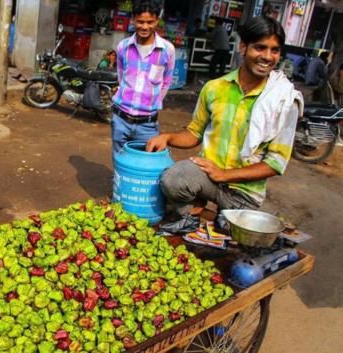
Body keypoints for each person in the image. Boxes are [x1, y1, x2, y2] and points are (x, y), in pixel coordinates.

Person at [146, 16, 303, 234]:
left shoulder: (285, 100)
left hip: (245, 194)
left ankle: (222, 214)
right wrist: (167, 137)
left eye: (274, 50)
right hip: (208, 179)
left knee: (236, 231)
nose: (267, 57)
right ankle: (188, 217)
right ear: (243, 46)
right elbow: (194, 133)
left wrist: (224, 175)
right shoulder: (214, 88)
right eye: (260, 48)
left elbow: (275, 164)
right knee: (174, 178)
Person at [111, 0, 175, 157]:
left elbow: (166, 82)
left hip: (148, 124)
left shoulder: (167, 50)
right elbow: (121, 76)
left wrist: (152, 103)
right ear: (133, 19)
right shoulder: (123, 47)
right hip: (121, 119)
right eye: (140, 21)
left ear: (157, 21)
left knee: (146, 165)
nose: (145, 27)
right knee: (120, 162)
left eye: (150, 22)